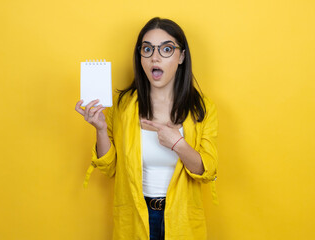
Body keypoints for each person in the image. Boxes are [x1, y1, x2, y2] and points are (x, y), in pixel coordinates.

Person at [75, 17, 218, 240]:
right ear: (140, 56)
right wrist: (101, 129)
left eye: (167, 49)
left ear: (181, 57)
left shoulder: (202, 109)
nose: (155, 57)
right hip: (134, 218)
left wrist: (177, 144)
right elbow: (109, 168)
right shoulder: (122, 106)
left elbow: (205, 171)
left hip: (182, 221)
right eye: (147, 49)